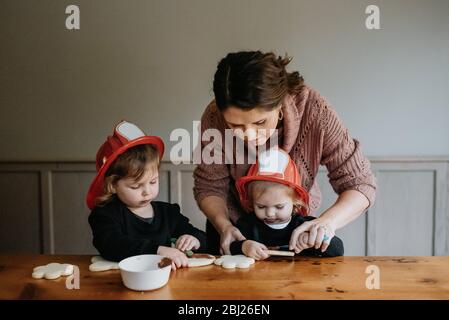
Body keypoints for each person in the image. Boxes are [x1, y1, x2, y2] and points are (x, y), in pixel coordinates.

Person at [193, 51, 376, 255]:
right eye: (235, 125)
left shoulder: (316, 112)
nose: (249, 134)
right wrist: (224, 226)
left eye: (260, 122)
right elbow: (209, 185)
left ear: (279, 106)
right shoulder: (214, 117)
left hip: (296, 230)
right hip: (236, 232)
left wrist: (325, 223)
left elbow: (359, 184)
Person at [87, 120, 206, 270]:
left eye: (153, 182)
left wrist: (194, 240)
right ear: (113, 185)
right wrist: (157, 250)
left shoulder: (168, 213)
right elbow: (111, 245)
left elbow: (202, 237)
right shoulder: (105, 214)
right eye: (136, 186)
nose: (147, 191)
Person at [230, 148, 344, 259]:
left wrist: (312, 239)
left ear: (295, 203)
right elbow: (228, 247)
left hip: (301, 277)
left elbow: (338, 249)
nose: (270, 213)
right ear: (251, 202)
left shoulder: (303, 225)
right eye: (261, 206)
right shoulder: (248, 225)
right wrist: (244, 247)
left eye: (279, 207)